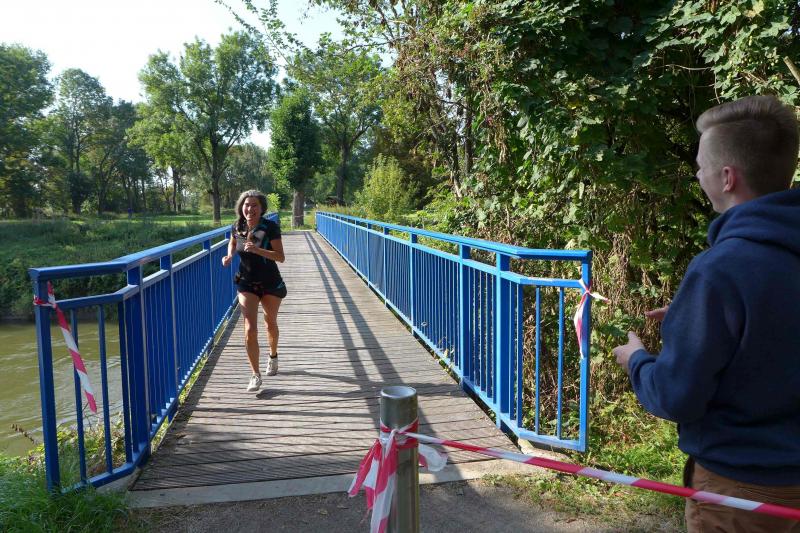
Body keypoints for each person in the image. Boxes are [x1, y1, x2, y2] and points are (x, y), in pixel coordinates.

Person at [612, 95, 800, 532]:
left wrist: (637, 361)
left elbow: (676, 397)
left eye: (701, 166)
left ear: (727, 177)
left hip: (739, 490)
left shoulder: (721, 270)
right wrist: (699, 316)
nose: (698, 174)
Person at [222, 190, 286, 392]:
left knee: (270, 322)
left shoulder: (270, 227)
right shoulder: (237, 226)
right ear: (241, 207)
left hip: (270, 282)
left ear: (261, 208)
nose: (250, 209)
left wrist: (258, 250)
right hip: (246, 281)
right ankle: (255, 375)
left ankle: (273, 355)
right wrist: (229, 255)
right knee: (250, 327)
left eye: (254, 205)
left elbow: (280, 256)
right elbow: (233, 242)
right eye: (246, 205)